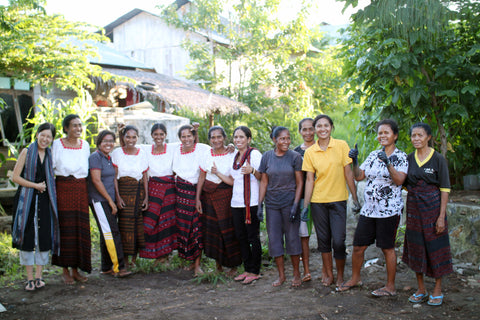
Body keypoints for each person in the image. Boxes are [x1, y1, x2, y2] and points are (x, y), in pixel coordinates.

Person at [337, 119, 408, 296]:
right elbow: (359, 176)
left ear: (395, 135)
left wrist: (388, 163)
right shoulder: (373, 154)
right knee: (358, 246)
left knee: (387, 248)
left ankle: (390, 287)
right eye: (380, 133)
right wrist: (354, 160)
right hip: (369, 210)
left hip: (389, 211)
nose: (382, 136)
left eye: (386, 132)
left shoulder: (401, 156)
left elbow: (399, 180)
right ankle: (355, 279)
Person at [302, 114, 360, 287]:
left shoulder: (341, 145)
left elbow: (348, 173)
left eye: (326, 125)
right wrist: (305, 206)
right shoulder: (310, 152)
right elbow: (309, 180)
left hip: (338, 200)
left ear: (331, 127)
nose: (322, 129)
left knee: (339, 240)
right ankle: (328, 274)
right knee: (323, 240)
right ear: (314, 129)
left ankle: (340, 275)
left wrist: (355, 198)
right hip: (318, 201)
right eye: (318, 126)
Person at [402, 122, 452, 306]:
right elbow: (404, 183)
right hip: (414, 209)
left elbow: (445, 189)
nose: (416, 139)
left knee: (436, 248)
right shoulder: (408, 158)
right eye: (413, 135)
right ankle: (421, 289)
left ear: (428, 137)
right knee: (416, 248)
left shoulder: (438, 159)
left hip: (433, 208)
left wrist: (441, 217)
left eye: (420, 135)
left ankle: (437, 289)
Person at [12, 123, 60, 291]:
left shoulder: (49, 153)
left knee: (43, 236)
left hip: (45, 200)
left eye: (49, 137)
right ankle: (29, 279)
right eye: (43, 135)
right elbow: (15, 177)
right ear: (37, 134)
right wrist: (35, 186)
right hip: (27, 200)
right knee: (28, 236)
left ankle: (40, 276)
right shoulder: (27, 151)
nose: (45, 139)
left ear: (52, 139)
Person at [214, 126, 262, 285]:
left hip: (251, 203)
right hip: (236, 203)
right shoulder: (234, 156)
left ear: (249, 139)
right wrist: (217, 173)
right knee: (241, 237)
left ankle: (255, 270)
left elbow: (263, 176)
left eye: (242, 137)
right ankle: (247, 269)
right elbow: (232, 181)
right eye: (236, 137)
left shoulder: (254, 154)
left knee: (252, 237)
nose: (238, 140)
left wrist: (252, 170)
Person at [258, 126, 303, 287]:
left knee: (292, 239)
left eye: (288, 138)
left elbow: (300, 183)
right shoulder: (267, 157)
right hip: (272, 205)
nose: (286, 141)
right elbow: (264, 181)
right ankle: (281, 275)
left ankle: (296, 275)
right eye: (282, 138)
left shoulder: (295, 157)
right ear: (274, 140)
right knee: (275, 240)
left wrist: (295, 205)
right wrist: (259, 205)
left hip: (289, 203)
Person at [195, 126, 242, 276]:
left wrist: (218, 173)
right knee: (213, 231)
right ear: (209, 140)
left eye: (219, 137)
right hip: (208, 196)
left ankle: (234, 266)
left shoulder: (232, 154)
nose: (216, 140)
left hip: (226, 195)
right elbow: (201, 177)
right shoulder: (206, 154)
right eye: (213, 138)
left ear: (225, 138)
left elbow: (234, 180)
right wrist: (198, 199)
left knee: (228, 229)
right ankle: (219, 265)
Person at [51, 114, 91, 284]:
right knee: (65, 229)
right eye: (74, 125)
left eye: (80, 125)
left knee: (79, 229)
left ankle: (76, 269)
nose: (78, 129)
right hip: (63, 189)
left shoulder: (85, 145)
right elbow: (51, 168)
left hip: (81, 189)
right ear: (66, 128)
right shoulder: (57, 144)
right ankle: (65, 270)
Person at [88, 130, 131, 278]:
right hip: (100, 201)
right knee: (112, 233)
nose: (108, 144)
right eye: (105, 141)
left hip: (110, 200)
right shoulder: (95, 157)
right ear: (99, 142)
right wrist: (110, 202)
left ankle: (106, 267)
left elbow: (112, 179)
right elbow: (96, 181)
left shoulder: (108, 158)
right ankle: (119, 267)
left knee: (106, 233)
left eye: (111, 141)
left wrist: (116, 199)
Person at [172, 124, 211, 276]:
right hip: (179, 193)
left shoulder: (202, 149)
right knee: (182, 228)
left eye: (189, 135)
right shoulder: (175, 150)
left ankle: (197, 265)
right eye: (183, 136)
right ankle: (187, 260)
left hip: (195, 192)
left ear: (194, 136)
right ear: (180, 138)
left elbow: (202, 174)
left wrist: (197, 199)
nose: (186, 139)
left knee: (196, 229)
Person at [139, 123, 177, 265]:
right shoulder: (146, 149)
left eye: (161, 134)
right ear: (152, 136)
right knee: (150, 223)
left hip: (168, 191)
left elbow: (192, 144)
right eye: (156, 134)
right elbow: (127, 147)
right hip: (153, 189)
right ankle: (155, 255)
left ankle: (165, 256)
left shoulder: (172, 148)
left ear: (165, 135)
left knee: (166, 222)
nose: (158, 137)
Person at [111, 125, 149, 267]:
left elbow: (145, 176)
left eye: (134, 137)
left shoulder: (142, 153)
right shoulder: (117, 153)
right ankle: (125, 259)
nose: (131, 140)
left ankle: (134, 258)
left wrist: (146, 197)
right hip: (124, 191)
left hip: (138, 192)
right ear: (123, 137)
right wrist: (118, 197)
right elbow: (114, 177)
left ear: (137, 138)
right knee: (125, 226)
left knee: (137, 224)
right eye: (128, 136)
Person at [293, 117, 315, 283]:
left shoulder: (323, 148)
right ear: (300, 131)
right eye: (304, 129)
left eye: (311, 128)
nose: (308, 132)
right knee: (304, 236)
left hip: (322, 197)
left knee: (325, 235)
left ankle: (328, 271)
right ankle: (306, 270)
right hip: (302, 200)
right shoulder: (295, 153)